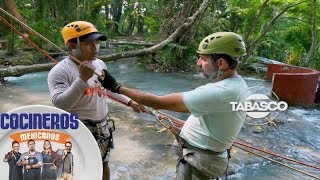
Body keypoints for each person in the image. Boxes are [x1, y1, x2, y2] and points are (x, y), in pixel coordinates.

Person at [99, 32, 249, 179]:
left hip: (201, 161)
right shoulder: (238, 83)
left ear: (220, 63)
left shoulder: (219, 92)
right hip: (204, 158)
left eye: (203, 59)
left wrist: (116, 87)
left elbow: (157, 102)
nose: (198, 63)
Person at [47, 21, 144, 180]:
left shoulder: (99, 64)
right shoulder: (59, 71)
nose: (96, 47)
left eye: (97, 42)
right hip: (79, 129)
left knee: (104, 164)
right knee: (81, 169)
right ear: (72, 45)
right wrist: (82, 80)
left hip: (103, 126)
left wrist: (130, 101)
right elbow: (59, 103)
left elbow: (109, 88)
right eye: (89, 43)